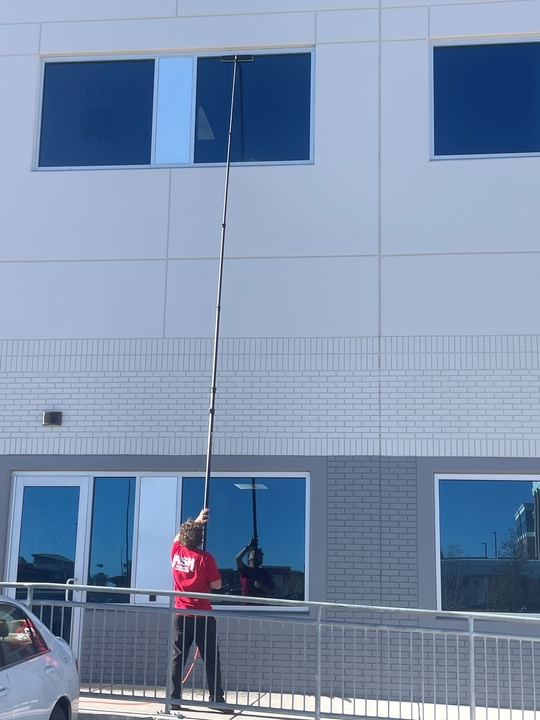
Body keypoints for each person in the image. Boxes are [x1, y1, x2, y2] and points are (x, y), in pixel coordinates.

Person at [170, 508, 227, 712]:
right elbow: (217, 585)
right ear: (200, 539)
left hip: (180, 614)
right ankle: (216, 698)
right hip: (202, 614)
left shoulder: (176, 552)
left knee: (178, 656)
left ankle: (174, 697)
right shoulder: (205, 558)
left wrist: (196, 521)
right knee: (211, 658)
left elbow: (177, 538)